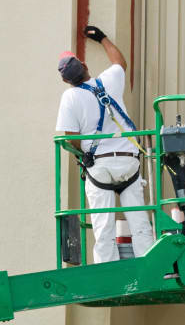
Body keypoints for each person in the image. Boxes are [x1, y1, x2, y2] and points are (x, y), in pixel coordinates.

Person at [55, 25, 155, 263]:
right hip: (128, 161)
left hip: (99, 167)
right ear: (86, 67)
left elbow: (72, 139)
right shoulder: (109, 81)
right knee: (139, 222)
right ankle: (153, 268)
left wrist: (83, 159)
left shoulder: (70, 97)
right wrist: (102, 38)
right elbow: (120, 62)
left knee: (103, 227)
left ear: (65, 80)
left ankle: (107, 271)